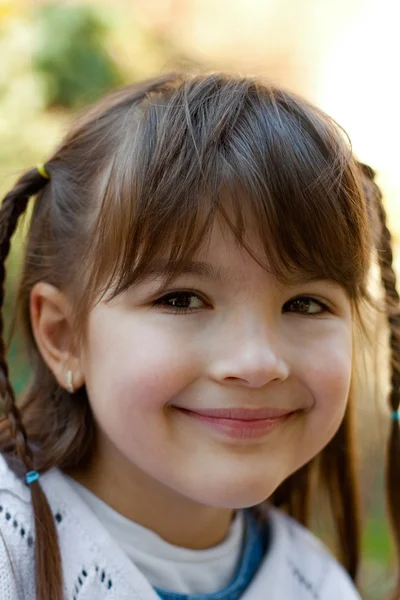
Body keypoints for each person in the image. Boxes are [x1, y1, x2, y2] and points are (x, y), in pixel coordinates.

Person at [0, 73, 398, 600]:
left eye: (304, 303)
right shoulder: (12, 552)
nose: (257, 362)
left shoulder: (318, 585)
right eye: (182, 299)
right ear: (64, 336)